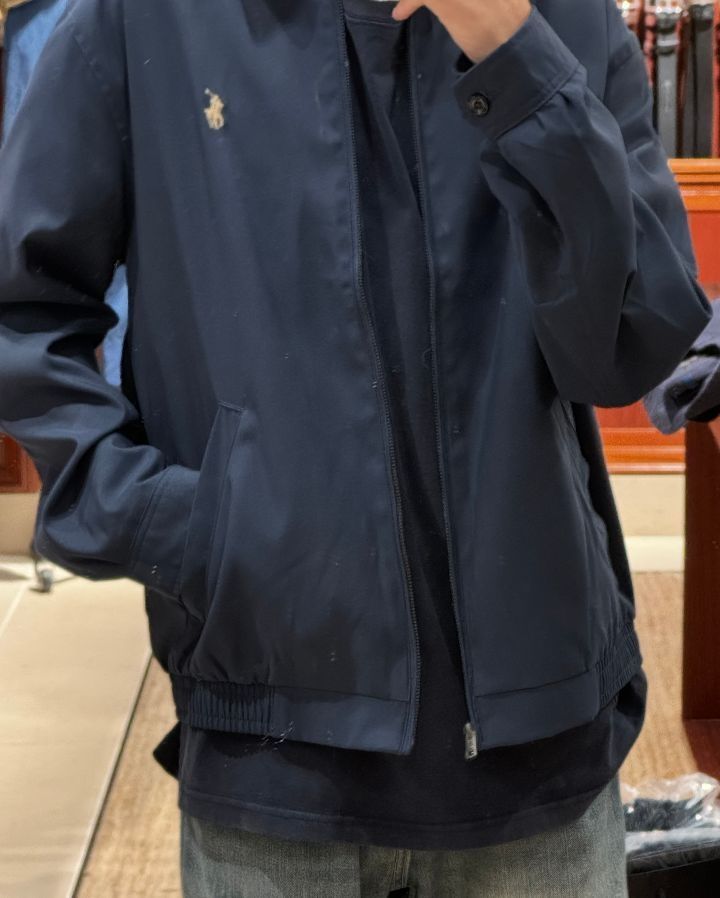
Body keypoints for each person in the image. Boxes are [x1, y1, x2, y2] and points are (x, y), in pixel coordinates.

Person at [0, 0, 712, 895]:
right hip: (270, 736)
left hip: (539, 738)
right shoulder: (145, 19)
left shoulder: (560, 16)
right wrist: (178, 527)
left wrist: (514, 54)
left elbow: (632, 347)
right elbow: (24, 309)